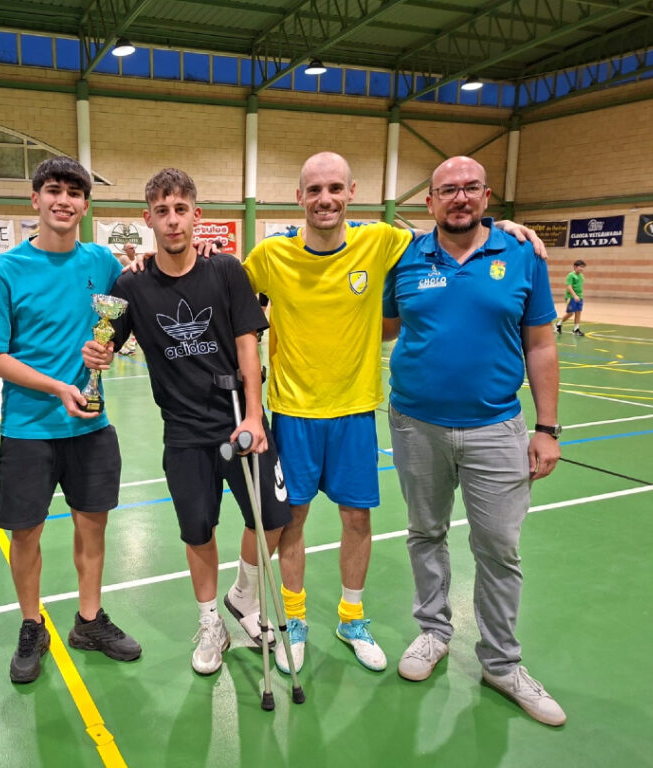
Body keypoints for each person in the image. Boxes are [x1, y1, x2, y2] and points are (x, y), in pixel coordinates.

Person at [241, 151, 546, 676]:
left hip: (357, 410)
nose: (325, 199)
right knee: (293, 520)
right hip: (292, 411)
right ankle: (295, 618)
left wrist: (502, 227)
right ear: (299, 198)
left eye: (334, 188)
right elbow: (224, 289)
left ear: (351, 193)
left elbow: (453, 230)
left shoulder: (382, 241)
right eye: (314, 190)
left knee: (356, 519)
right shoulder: (270, 254)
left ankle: (351, 619)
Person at [382, 156, 566, 727]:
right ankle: (433, 633)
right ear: (429, 202)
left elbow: (541, 344)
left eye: (469, 189)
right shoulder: (404, 257)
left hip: (497, 429)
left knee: (499, 549)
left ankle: (502, 664)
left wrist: (547, 428)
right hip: (416, 425)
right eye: (447, 190)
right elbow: (382, 326)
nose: (459, 198)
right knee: (425, 533)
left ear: (487, 197)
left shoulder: (522, 254)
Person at [92, 168, 291, 674]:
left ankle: (243, 595)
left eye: (181, 209)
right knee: (198, 531)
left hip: (237, 420)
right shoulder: (131, 284)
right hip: (182, 432)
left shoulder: (225, 271)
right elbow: (109, 344)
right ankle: (210, 623)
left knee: (272, 518)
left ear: (196, 215)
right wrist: (98, 354)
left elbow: (248, 345)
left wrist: (254, 415)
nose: (172, 220)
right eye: (162, 211)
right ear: (148, 219)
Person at [0, 156, 141, 685]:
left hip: (91, 427)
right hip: (28, 429)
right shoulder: (4, 270)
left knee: (93, 527)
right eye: (53, 190)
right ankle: (32, 624)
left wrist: (108, 348)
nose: (63, 200)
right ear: (36, 199)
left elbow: (127, 308)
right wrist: (58, 387)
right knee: (25, 534)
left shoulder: (102, 262)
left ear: (85, 205)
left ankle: (89, 620)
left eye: (74, 192)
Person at [556, 259, 586, 336]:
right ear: (575, 267)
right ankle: (558, 324)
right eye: (580, 266)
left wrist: (579, 296)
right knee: (570, 313)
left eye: (583, 267)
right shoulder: (571, 275)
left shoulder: (581, 276)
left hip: (580, 297)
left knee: (578, 312)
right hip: (571, 297)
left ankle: (576, 329)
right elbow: (569, 287)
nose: (582, 268)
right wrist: (574, 295)